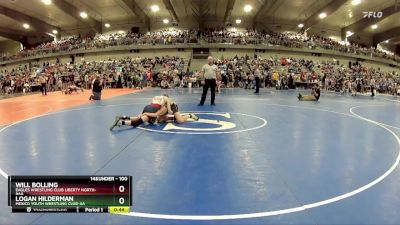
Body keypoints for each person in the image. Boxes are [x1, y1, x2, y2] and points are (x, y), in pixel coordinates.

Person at [110, 95, 199, 130]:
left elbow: (170, 110)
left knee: (180, 121)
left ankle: (189, 115)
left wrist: (165, 113)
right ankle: (122, 121)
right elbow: (156, 113)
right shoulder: (161, 100)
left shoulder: (163, 99)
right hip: (153, 109)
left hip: (171, 107)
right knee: (159, 120)